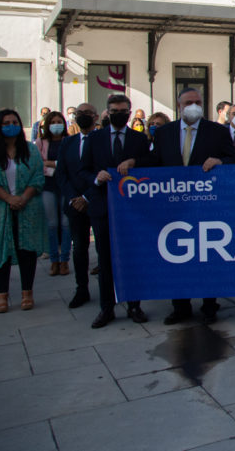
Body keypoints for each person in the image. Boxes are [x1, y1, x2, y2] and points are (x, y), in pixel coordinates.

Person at [151, 87, 235, 324]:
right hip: (174, 206)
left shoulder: (217, 131)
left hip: (206, 204)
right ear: (179, 106)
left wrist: (220, 160)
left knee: (208, 255)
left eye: (198, 102)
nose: (194, 106)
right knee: (177, 255)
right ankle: (180, 306)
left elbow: (233, 160)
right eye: (189, 102)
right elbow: (153, 164)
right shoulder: (164, 133)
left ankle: (210, 304)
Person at [80, 94, 151, 328]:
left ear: (130, 113)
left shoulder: (139, 139)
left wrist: (134, 163)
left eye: (123, 110)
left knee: (133, 258)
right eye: (113, 110)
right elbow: (83, 171)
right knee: (106, 258)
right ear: (107, 113)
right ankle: (106, 308)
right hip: (103, 207)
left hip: (132, 210)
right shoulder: (95, 139)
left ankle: (134, 305)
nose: (118, 114)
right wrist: (96, 178)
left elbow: (152, 164)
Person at [0, 109, 47, 312]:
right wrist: (8, 198)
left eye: (14, 121)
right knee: (2, 251)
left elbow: (37, 176)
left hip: (27, 207)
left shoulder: (30, 150)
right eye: (6, 122)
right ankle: (2, 294)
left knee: (27, 250)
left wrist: (23, 197)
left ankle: (27, 292)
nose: (11, 125)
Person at [56, 102, 96, 308]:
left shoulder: (101, 141)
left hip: (97, 202)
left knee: (105, 248)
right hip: (74, 205)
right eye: (80, 113)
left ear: (96, 117)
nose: (83, 116)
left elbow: (104, 173)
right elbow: (61, 174)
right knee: (79, 249)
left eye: (87, 113)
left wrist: (87, 197)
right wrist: (74, 198)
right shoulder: (68, 143)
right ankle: (82, 288)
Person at [36, 110, 71, 276]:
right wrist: (57, 165)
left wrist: (51, 163)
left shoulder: (69, 141)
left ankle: (64, 259)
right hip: (48, 186)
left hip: (65, 186)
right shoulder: (40, 143)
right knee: (52, 224)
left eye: (59, 121)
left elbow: (69, 164)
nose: (56, 124)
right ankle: (54, 260)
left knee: (66, 224)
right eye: (53, 121)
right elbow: (38, 164)